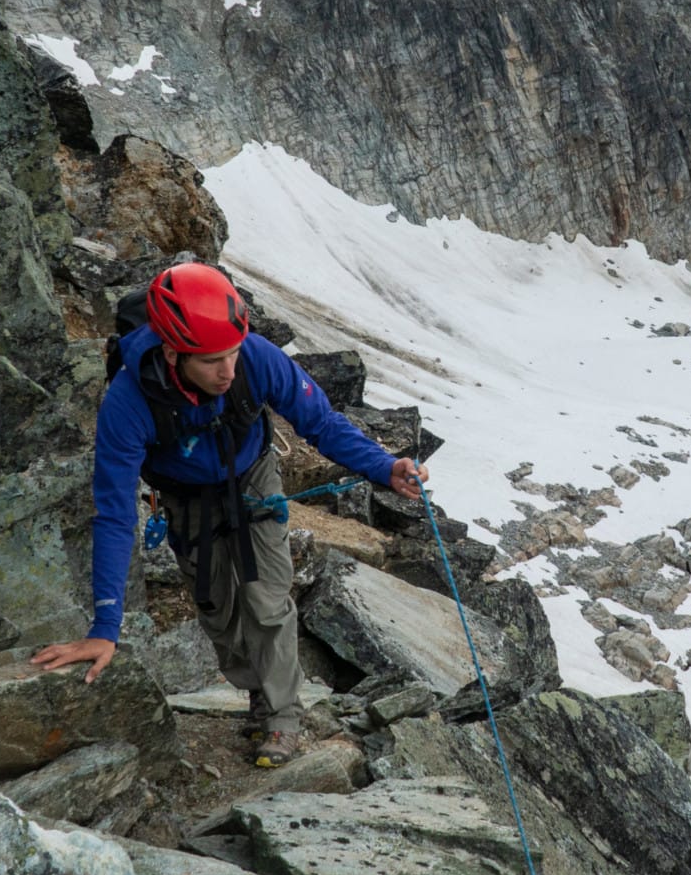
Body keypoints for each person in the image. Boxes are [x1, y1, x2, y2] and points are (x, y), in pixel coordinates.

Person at [32, 261, 428, 767]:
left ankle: (281, 715)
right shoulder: (128, 403)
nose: (229, 371)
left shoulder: (256, 359)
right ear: (173, 353)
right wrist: (104, 628)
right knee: (217, 611)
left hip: (253, 476)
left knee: (266, 596)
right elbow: (113, 513)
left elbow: (321, 423)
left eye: (233, 354)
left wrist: (383, 466)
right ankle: (257, 689)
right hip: (185, 497)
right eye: (213, 360)